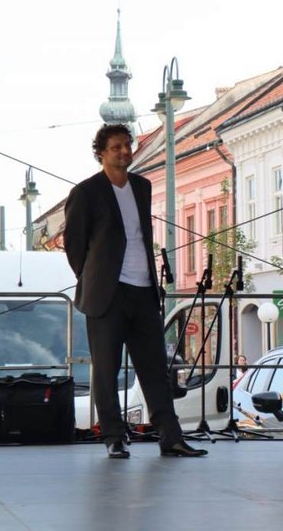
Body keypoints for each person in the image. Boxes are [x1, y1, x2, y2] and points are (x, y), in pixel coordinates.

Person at [64, 123, 207, 459]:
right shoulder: (86, 192)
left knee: (155, 367)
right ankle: (114, 436)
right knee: (106, 368)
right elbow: (74, 246)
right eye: (116, 147)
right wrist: (94, 278)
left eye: (127, 146)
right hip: (108, 294)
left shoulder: (142, 187)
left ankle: (170, 436)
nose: (124, 152)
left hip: (144, 290)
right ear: (101, 152)